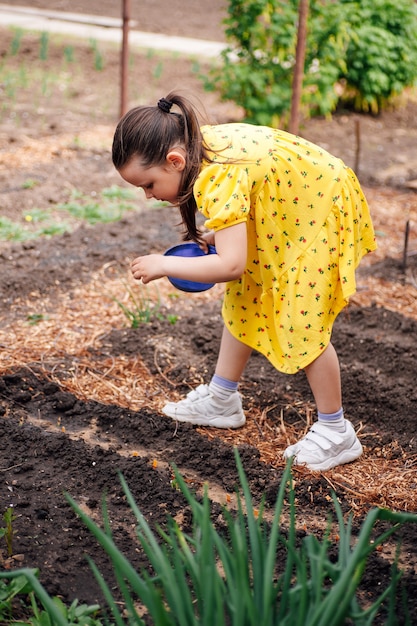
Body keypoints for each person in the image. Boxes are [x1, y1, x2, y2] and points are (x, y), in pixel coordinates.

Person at [112, 91, 376, 472]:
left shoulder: (215, 176)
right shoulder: (201, 148)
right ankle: (222, 399)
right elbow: (252, 200)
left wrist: (165, 265)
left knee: (301, 319)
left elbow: (231, 265)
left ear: (175, 161)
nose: (148, 195)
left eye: (148, 185)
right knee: (246, 297)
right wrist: (217, 235)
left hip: (318, 213)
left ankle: (337, 431)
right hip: (290, 210)